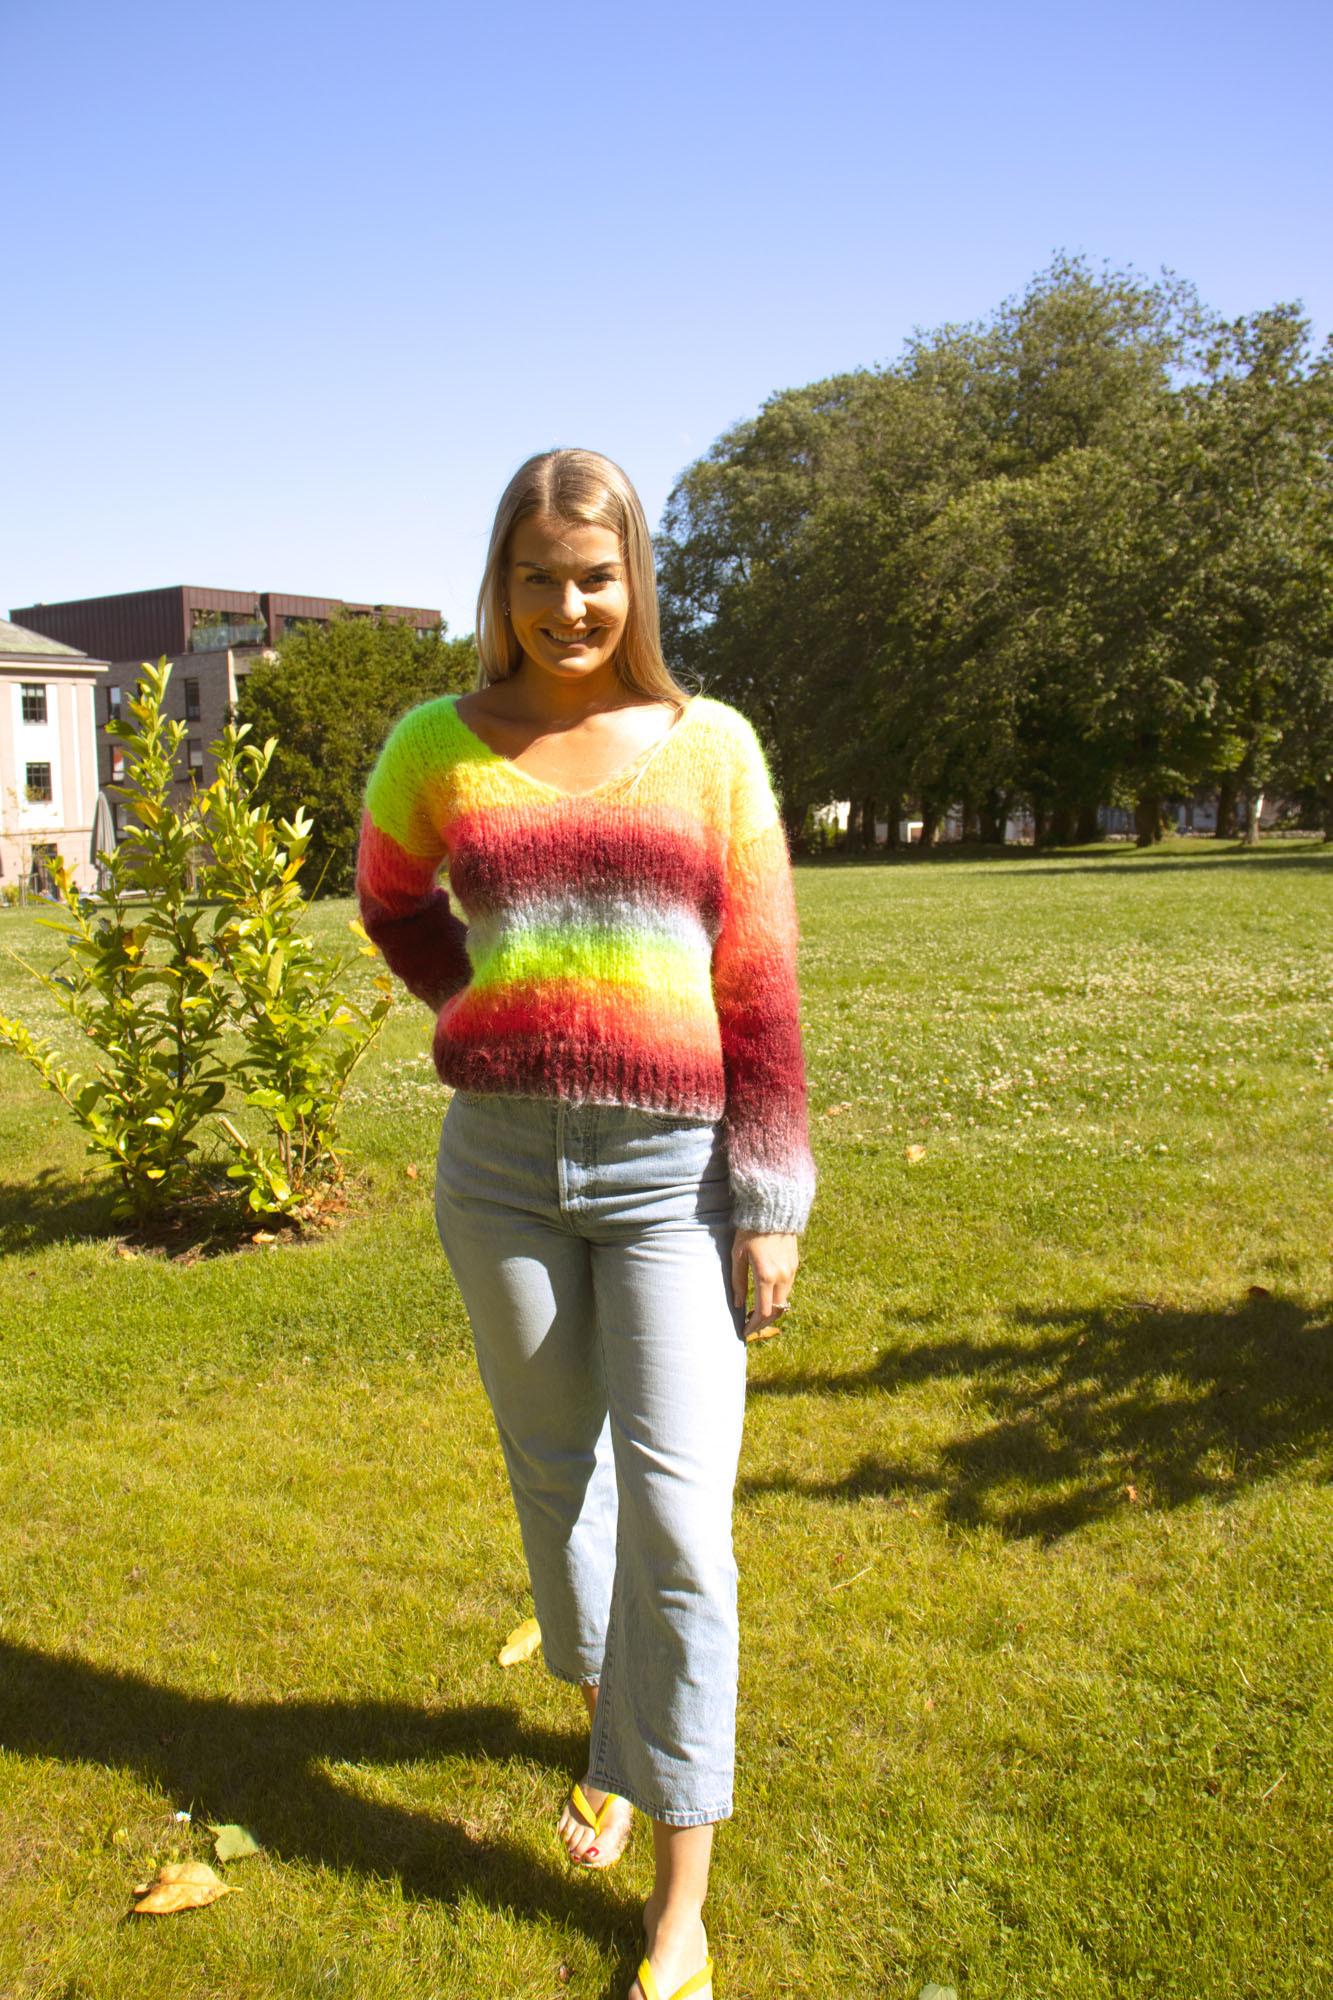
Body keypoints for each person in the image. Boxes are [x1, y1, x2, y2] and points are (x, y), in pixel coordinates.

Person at [356, 448, 815, 2000]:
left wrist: (768, 1202)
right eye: (539, 577)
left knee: (679, 1522)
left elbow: (759, 987)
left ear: (636, 582)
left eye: (596, 576)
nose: (569, 606)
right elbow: (391, 902)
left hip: (672, 1179)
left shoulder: (711, 751)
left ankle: (679, 1906)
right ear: (502, 583)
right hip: (497, 1175)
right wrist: (477, 1004)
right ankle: (616, 1729)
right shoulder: (435, 744)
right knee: (561, 1490)